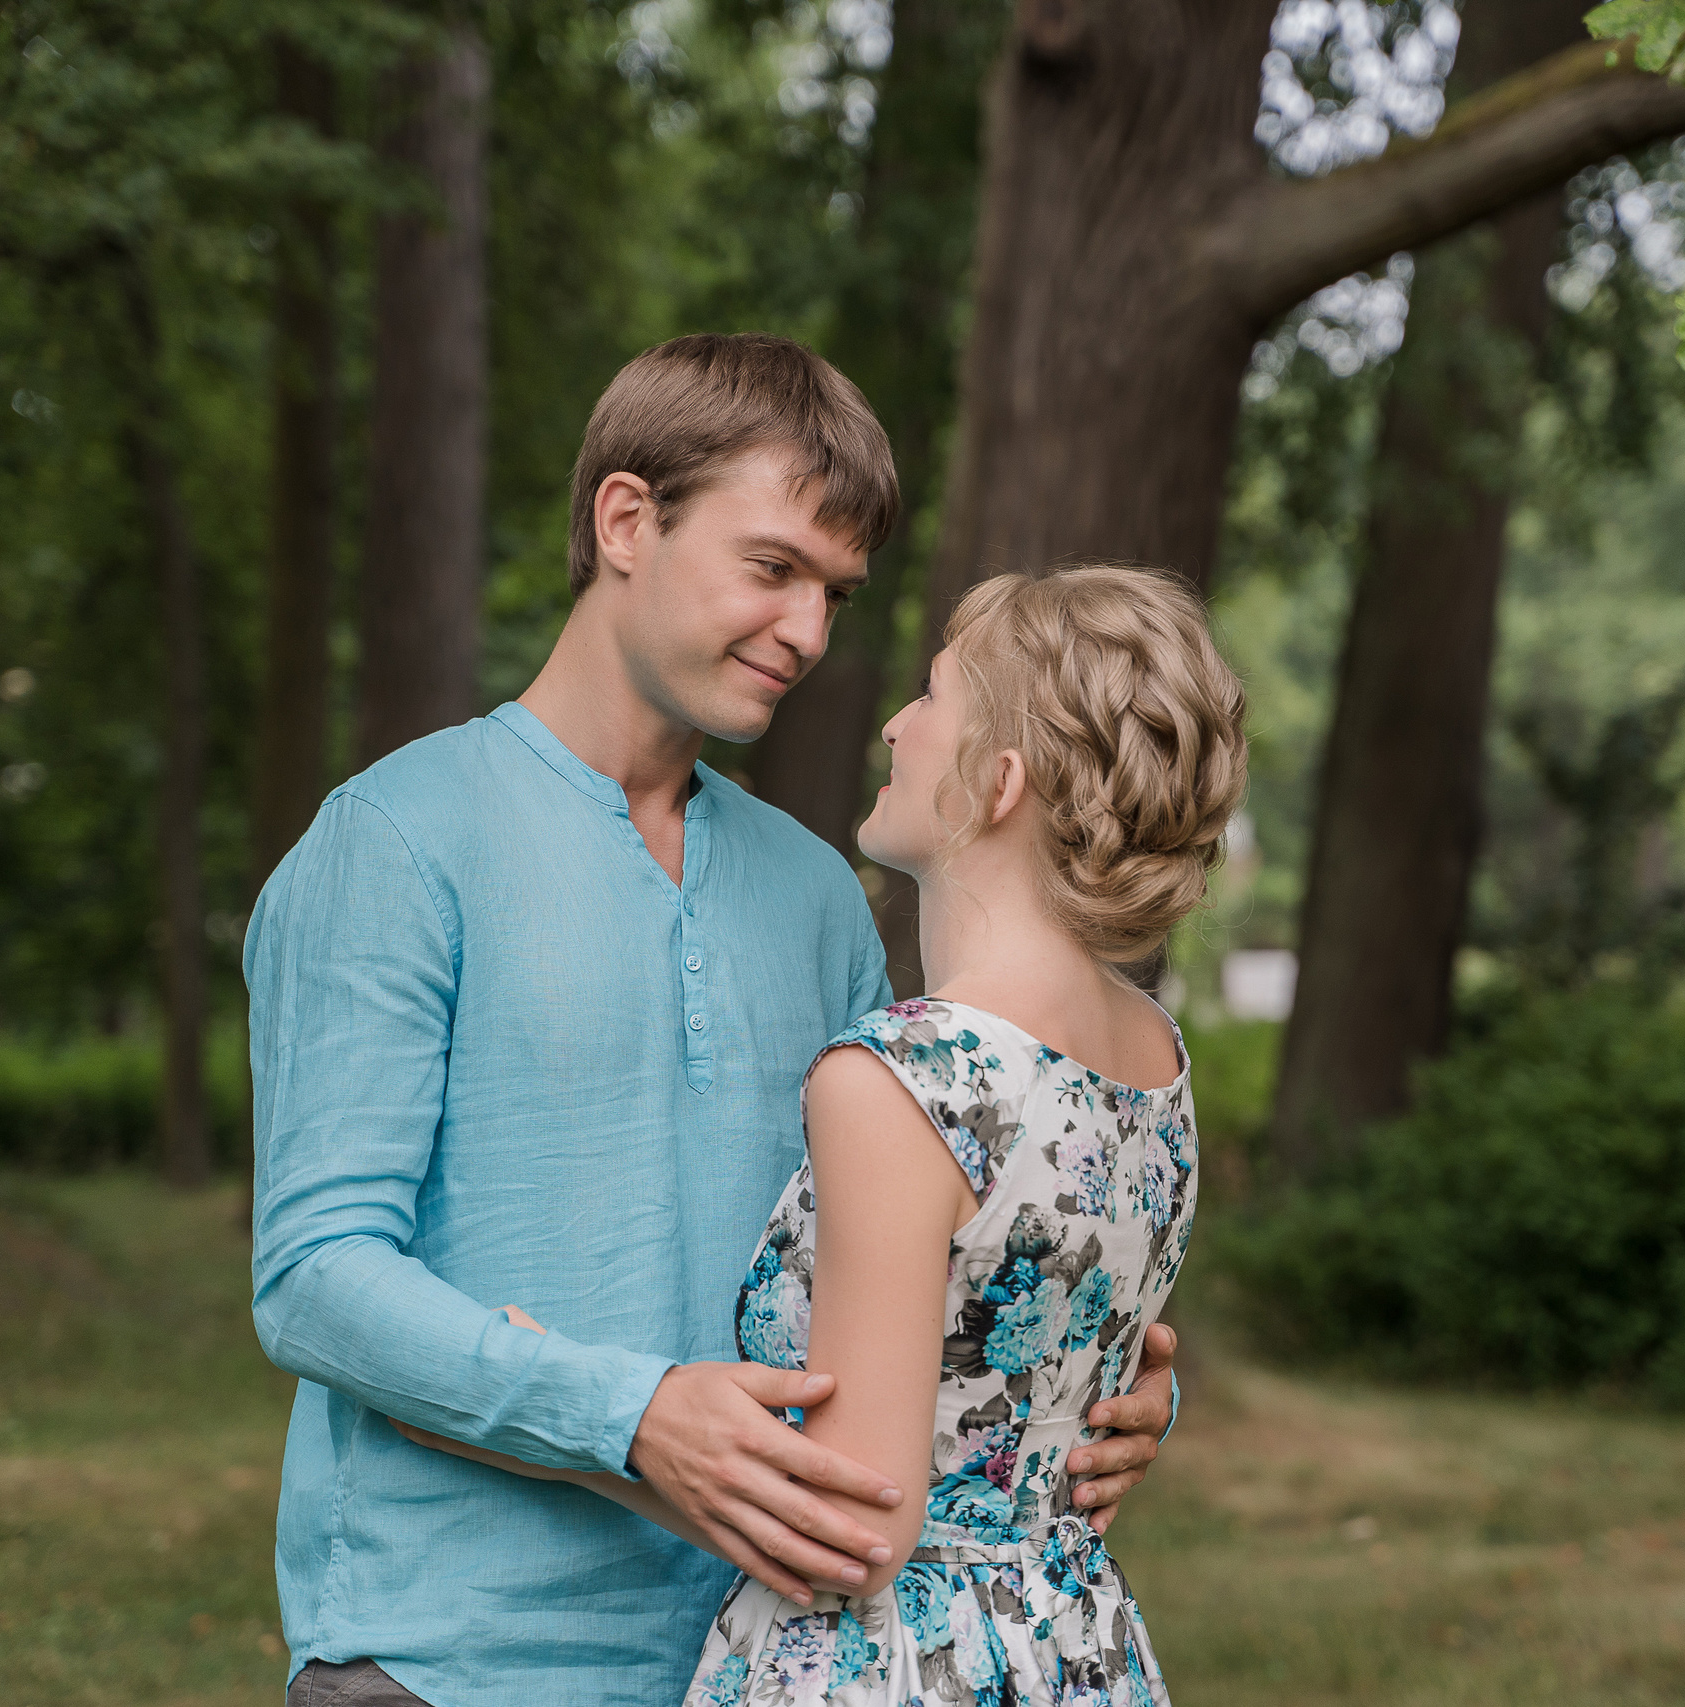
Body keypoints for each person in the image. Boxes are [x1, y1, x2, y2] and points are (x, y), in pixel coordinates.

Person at [246, 334, 1176, 1707]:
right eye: (771, 566)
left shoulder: (814, 886)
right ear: (628, 520)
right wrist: (630, 1416)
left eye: (836, 592)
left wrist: (1110, 1389)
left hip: (762, 1655)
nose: (807, 630)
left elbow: (932, 1226)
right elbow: (315, 1275)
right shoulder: (393, 839)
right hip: (447, 1656)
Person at [405, 564, 1248, 1705]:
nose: (896, 724)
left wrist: (535, 1431)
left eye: (933, 698)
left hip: (894, 1669)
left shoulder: (901, 1078)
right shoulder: (1155, 1053)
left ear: (997, 783)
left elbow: (851, 1527)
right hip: (1075, 1649)